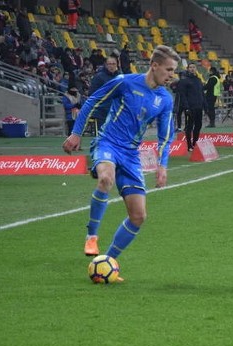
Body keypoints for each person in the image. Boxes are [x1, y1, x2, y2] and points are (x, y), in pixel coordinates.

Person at [62, 45, 180, 279]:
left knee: (139, 216)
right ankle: (92, 236)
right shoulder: (124, 82)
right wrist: (76, 133)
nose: (171, 75)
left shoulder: (165, 99)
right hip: (107, 143)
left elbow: (165, 135)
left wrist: (162, 164)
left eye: (173, 71)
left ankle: (107, 261)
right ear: (154, 66)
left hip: (131, 155)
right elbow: (92, 102)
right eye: (169, 70)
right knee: (106, 178)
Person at [88, 55, 121, 134]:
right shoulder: (99, 77)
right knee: (103, 137)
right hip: (102, 113)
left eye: (113, 64)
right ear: (105, 65)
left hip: (117, 112)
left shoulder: (120, 77)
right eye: (109, 64)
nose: (111, 66)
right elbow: (92, 94)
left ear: (117, 65)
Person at [177, 62, 206, 151]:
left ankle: (195, 143)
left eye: (194, 67)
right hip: (190, 107)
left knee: (198, 125)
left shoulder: (198, 80)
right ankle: (189, 145)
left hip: (199, 107)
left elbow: (201, 93)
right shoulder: (184, 81)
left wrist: (205, 105)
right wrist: (186, 107)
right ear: (188, 69)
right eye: (191, 67)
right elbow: (183, 95)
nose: (192, 69)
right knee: (189, 126)